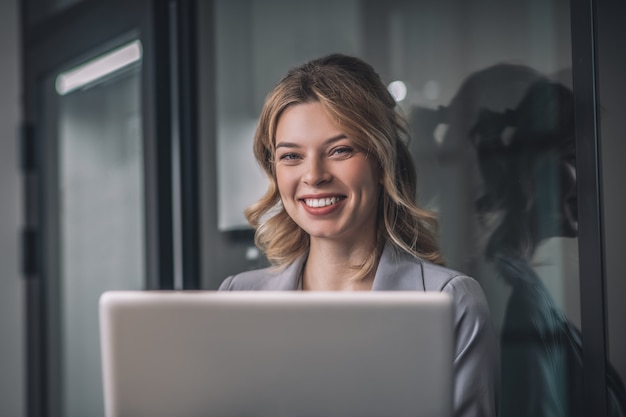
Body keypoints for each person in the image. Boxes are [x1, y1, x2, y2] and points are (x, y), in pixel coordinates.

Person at [218, 53, 500, 417]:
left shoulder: (451, 302)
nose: (314, 175)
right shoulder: (237, 298)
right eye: (291, 156)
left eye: (340, 150)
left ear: (382, 161)